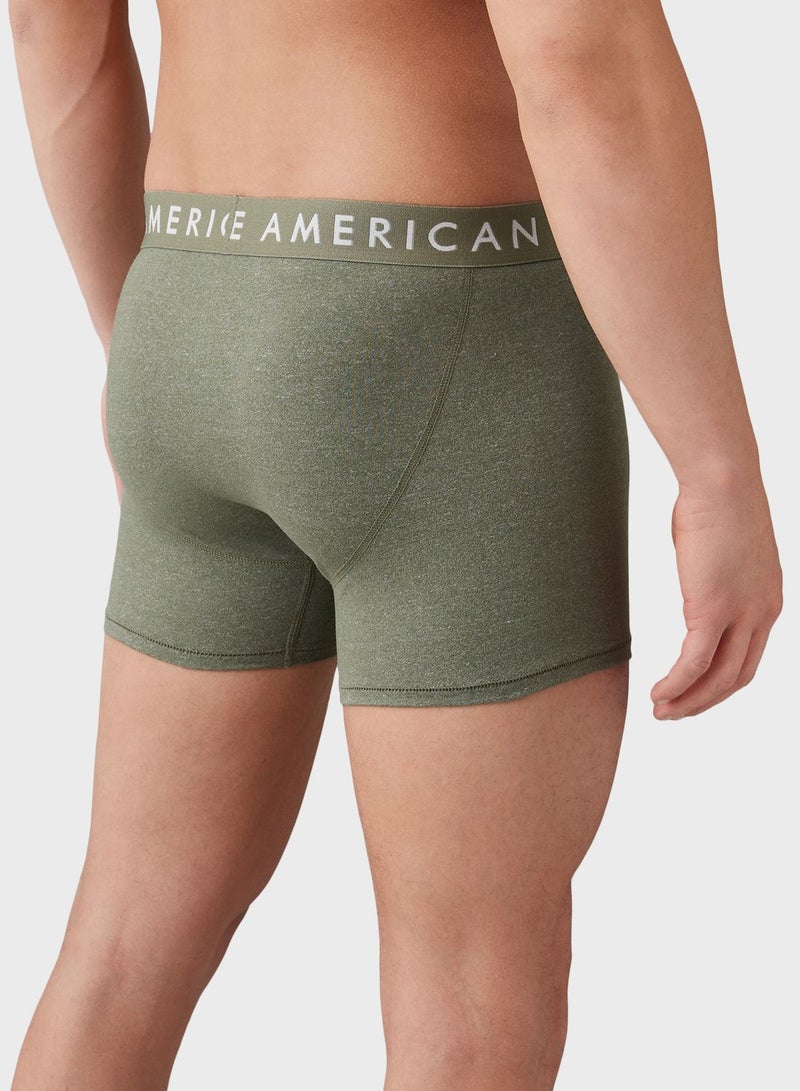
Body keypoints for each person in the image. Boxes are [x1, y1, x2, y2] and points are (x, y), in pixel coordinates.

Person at [7, 0, 783, 1087]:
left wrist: (141, 336)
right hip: (445, 324)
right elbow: (577, 54)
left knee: (121, 945)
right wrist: (714, 466)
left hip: (182, 295)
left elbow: (51, 30)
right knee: (470, 996)